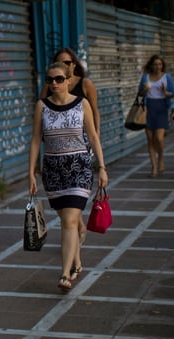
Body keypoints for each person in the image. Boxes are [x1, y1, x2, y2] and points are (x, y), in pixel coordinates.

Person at [29, 62, 108, 290]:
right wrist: (31, 173)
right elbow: (35, 140)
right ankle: (75, 260)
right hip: (53, 169)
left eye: (59, 79)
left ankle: (64, 275)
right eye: (50, 79)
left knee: (71, 220)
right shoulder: (41, 107)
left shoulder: (82, 104)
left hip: (79, 166)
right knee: (66, 221)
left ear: (69, 80)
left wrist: (101, 167)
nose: (54, 83)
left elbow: (93, 137)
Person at [41, 48, 101, 245]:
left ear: (74, 64)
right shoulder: (52, 83)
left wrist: (96, 137)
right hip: (57, 147)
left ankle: (74, 229)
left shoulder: (85, 84)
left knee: (75, 192)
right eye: (60, 62)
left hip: (81, 145)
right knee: (65, 201)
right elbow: (42, 105)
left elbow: (94, 110)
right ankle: (76, 227)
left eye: (67, 62)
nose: (64, 66)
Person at [138, 54, 174, 177]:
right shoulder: (145, 77)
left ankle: (161, 158)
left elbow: (172, 93)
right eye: (155, 64)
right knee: (150, 139)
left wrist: (165, 92)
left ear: (162, 65)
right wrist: (145, 90)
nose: (158, 67)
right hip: (148, 109)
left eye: (160, 64)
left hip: (161, 108)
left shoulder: (166, 77)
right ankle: (153, 167)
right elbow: (140, 94)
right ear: (151, 65)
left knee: (159, 138)